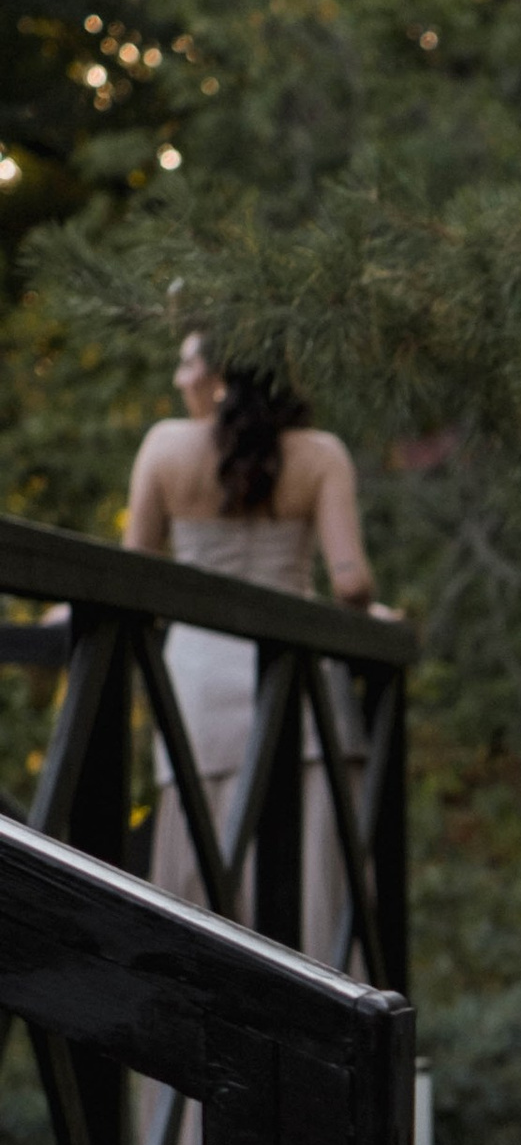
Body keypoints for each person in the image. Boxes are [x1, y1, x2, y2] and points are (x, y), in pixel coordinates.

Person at [124, 330, 382, 949]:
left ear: (221, 377)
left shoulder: (163, 448)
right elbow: (350, 584)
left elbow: (131, 571)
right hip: (297, 692)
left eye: (188, 362)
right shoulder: (319, 455)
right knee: (312, 876)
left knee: (206, 870)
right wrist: (373, 609)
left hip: (198, 687)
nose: (180, 378)